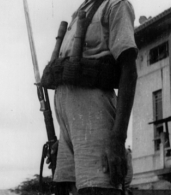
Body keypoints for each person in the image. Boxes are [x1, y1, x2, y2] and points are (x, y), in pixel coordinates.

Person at [42, 0, 138, 195]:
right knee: (65, 187)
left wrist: (118, 139)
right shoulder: (80, 11)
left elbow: (129, 70)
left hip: (94, 116)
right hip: (70, 126)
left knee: (98, 188)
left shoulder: (116, 5)